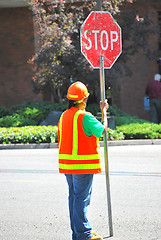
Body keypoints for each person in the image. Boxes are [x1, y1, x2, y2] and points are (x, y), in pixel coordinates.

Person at [58, 82, 109, 240]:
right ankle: (83, 234)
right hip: (82, 165)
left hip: (67, 165)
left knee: (74, 198)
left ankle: (78, 231)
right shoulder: (84, 116)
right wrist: (104, 112)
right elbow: (102, 130)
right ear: (83, 99)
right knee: (81, 198)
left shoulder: (64, 116)